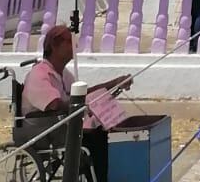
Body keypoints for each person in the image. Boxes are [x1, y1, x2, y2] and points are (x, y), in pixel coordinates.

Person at [20, 22, 131, 181]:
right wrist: (86, 102)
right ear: (54, 46)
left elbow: (81, 94)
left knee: (103, 133)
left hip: (61, 127)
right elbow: (55, 104)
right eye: (69, 41)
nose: (75, 44)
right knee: (95, 140)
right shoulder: (39, 75)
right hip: (45, 132)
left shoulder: (62, 73)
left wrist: (112, 84)